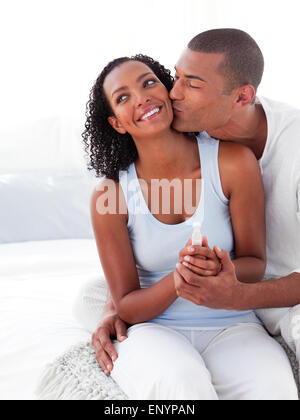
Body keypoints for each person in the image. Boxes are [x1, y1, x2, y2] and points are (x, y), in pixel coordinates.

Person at [81, 29, 300, 387]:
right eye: (123, 97)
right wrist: (169, 285)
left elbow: (253, 262)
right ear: (116, 123)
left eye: (150, 83)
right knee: (180, 380)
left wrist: (226, 282)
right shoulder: (111, 193)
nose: (149, 97)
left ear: (241, 97)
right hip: (158, 327)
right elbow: (128, 301)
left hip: (239, 318)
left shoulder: (236, 159)